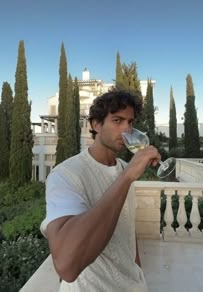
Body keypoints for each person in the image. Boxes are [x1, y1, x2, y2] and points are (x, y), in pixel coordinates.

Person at [40, 90, 161, 291]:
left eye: (130, 122)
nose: (126, 130)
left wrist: (137, 271)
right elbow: (66, 267)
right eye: (117, 120)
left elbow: (127, 230)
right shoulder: (65, 174)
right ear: (96, 125)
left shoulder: (123, 168)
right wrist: (127, 176)